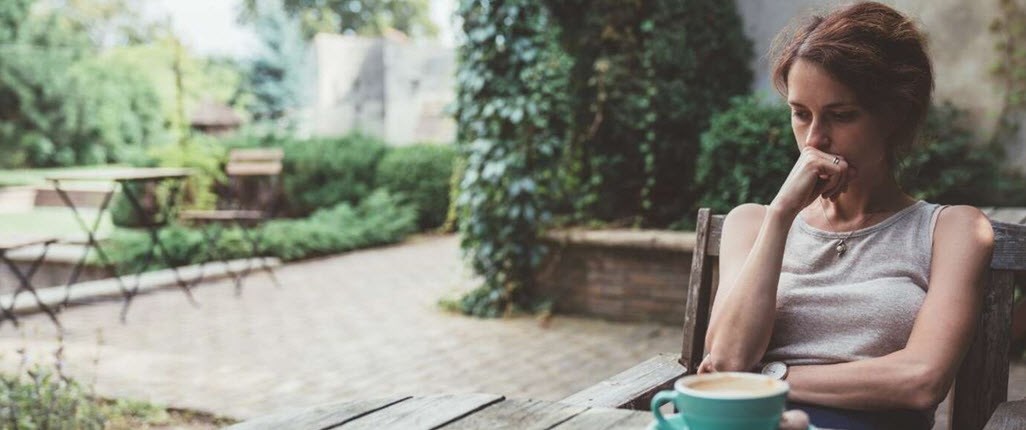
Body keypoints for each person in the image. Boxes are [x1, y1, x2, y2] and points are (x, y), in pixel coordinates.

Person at [697, 2, 995, 430]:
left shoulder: (953, 230)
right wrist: (781, 215)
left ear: (894, 116)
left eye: (841, 116)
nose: (814, 139)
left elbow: (920, 381)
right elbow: (727, 361)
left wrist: (770, 376)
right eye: (800, 114)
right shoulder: (753, 225)